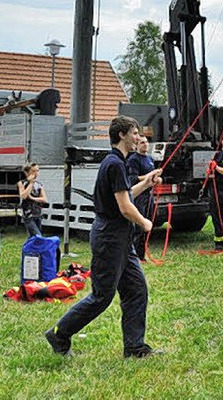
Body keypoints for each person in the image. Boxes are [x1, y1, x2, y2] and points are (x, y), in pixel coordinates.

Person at [45, 116, 163, 358]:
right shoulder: (115, 164)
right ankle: (59, 333)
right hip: (110, 238)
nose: (138, 137)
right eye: (134, 132)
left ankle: (134, 347)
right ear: (122, 135)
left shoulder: (117, 162)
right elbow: (125, 207)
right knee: (102, 296)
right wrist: (145, 222)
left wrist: (147, 183)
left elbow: (127, 194)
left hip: (120, 239)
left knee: (136, 290)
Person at [128, 136, 160, 260]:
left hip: (149, 195)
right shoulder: (133, 160)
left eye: (146, 142)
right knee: (139, 226)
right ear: (137, 145)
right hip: (139, 195)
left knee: (149, 223)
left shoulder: (150, 159)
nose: (145, 144)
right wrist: (149, 177)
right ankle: (135, 255)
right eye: (142, 142)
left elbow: (151, 179)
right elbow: (134, 178)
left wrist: (157, 179)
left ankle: (141, 255)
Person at [17, 162, 48, 237]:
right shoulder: (22, 183)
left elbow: (45, 199)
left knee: (32, 237)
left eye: (37, 171)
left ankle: (29, 248)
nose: (36, 173)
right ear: (27, 172)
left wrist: (32, 198)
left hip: (38, 213)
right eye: (33, 171)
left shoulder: (39, 185)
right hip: (28, 214)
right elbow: (23, 196)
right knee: (37, 235)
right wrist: (30, 183)